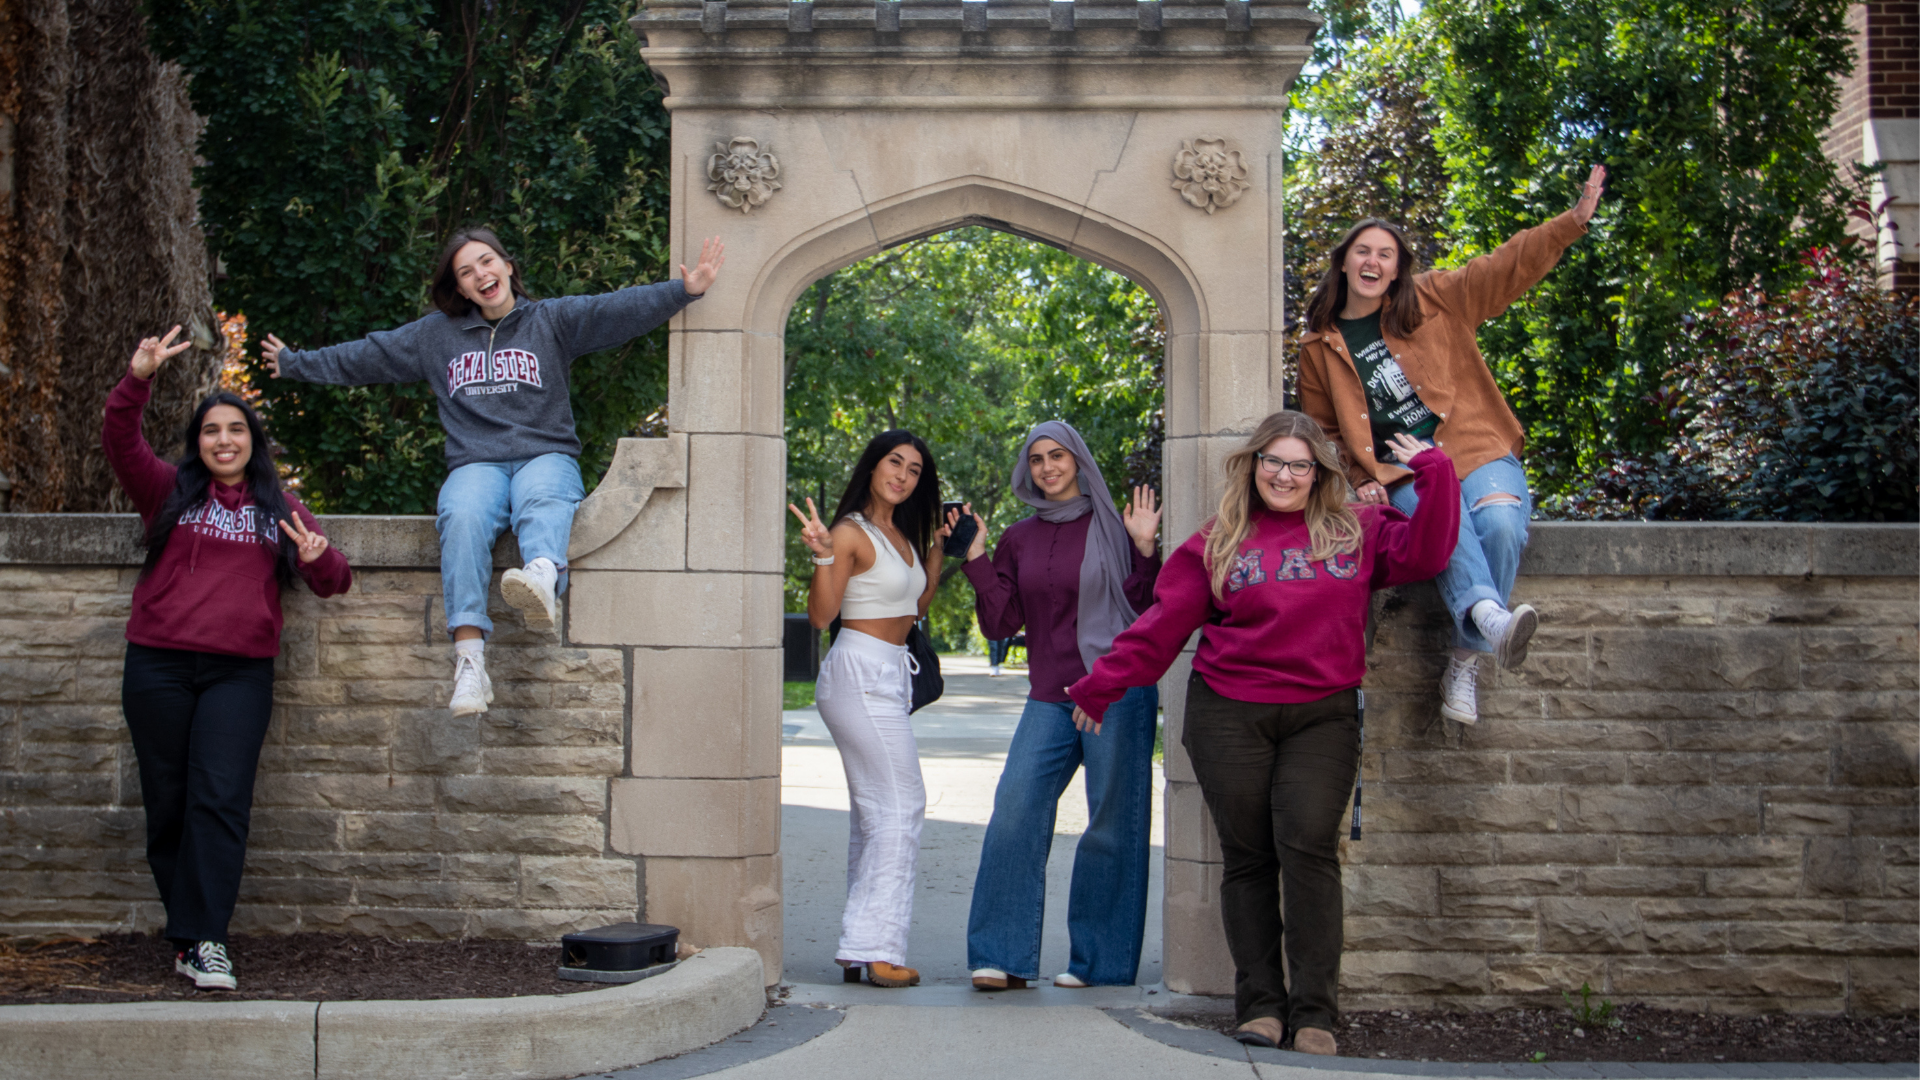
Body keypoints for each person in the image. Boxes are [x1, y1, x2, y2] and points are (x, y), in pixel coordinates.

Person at [1067, 411, 1458, 1055]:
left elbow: (1428, 553)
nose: (1284, 474)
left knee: (1308, 848)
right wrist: (1103, 683)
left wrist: (1434, 471)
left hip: (1322, 714)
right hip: (1228, 713)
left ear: (1317, 473)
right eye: (1272, 462)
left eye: (1298, 464)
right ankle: (1261, 1006)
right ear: (1253, 467)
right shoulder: (1218, 540)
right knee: (1248, 859)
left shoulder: (1357, 529)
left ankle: (1314, 1014)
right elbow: (1165, 625)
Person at [261, 230, 725, 717]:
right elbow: (366, 355)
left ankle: (543, 575)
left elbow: (612, 310)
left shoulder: (550, 321)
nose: (480, 274)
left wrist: (684, 290)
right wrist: (294, 363)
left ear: (507, 267)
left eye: (486, 262)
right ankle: (469, 662)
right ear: (459, 288)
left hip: (543, 452)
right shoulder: (434, 336)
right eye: (466, 271)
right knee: (460, 513)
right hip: (476, 463)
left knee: (543, 493)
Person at [1295, 165, 1607, 724]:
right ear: (1344, 261)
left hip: (1477, 444)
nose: (1373, 262)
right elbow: (1327, 432)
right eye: (1362, 251)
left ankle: (1468, 654)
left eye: (1385, 254)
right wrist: (1362, 480)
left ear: (1398, 268)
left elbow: (1503, 267)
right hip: (1404, 471)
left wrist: (1571, 222)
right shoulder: (1319, 347)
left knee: (1504, 525)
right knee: (1450, 527)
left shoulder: (1436, 298)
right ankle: (1489, 620)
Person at [104, 326, 353, 991]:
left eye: (235, 430)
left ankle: (206, 937)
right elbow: (119, 442)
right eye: (211, 431)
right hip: (156, 665)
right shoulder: (168, 493)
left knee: (220, 797)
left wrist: (317, 558)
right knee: (169, 800)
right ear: (199, 442)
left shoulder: (278, 508)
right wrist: (139, 377)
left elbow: (335, 580)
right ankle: (189, 934)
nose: (223, 441)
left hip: (237, 674)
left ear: (253, 442)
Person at [952, 421, 1162, 990]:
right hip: (1049, 696)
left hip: (1115, 688)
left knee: (1112, 825)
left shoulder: (1115, 527)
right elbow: (1001, 622)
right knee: (1015, 811)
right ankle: (1002, 956)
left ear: (1078, 460)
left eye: (1058, 456)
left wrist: (1144, 550)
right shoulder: (1019, 538)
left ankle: (1100, 963)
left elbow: (1146, 613)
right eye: (1037, 458)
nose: (1047, 467)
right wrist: (976, 557)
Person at [788, 431, 951, 988]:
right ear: (873, 466)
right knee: (903, 803)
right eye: (893, 462)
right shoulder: (850, 533)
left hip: (890, 672)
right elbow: (820, 615)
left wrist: (936, 550)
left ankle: (863, 949)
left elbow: (914, 605)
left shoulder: (901, 536)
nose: (902, 475)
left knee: (876, 812)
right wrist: (824, 557)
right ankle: (876, 948)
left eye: (913, 469)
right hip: (858, 670)